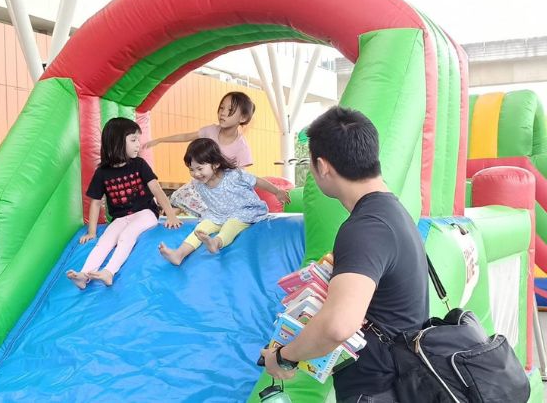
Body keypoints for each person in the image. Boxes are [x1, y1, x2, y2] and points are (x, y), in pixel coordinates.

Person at [260, 106, 429, 403]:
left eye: (311, 166)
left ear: (323, 166)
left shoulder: (365, 228)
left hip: (379, 389)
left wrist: (284, 357)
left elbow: (339, 324)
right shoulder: (391, 212)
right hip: (398, 381)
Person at [67, 117, 182, 290]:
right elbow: (96, 203)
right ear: (118, 143)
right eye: (133, 140)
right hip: (120, 217)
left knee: (126, 236)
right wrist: (92, 232)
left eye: (139, 139)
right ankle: (84, 275)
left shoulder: (139, 165)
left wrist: (170, 215)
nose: (138, 144)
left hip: (146, 212)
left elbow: (157, 190)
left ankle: (109, 272)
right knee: (104, 241)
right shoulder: (102, 173)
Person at [158, 138, 290, 266]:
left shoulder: (234, 175)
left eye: (199, 168)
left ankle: (216, 242)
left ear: (215, 164)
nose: (196, 174)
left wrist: (277, 191)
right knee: (201, 228)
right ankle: (179, 254)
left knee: (230, 226)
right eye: (191, 169)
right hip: (218, 215)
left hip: (243, 212)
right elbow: (185, 197)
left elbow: (257, 181)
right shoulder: (199, 183)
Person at [144, 92, 255, 217]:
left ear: (243, 118)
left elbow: (241, 177)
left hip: (221, 189)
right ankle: (173, 212)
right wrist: (160, 140)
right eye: (221, 108)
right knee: (180, 196)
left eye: (230, 110)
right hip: (202, 182)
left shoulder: (241, 147)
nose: (223, 113)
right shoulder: (211, 130)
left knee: (216, 210)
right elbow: (186, 136)